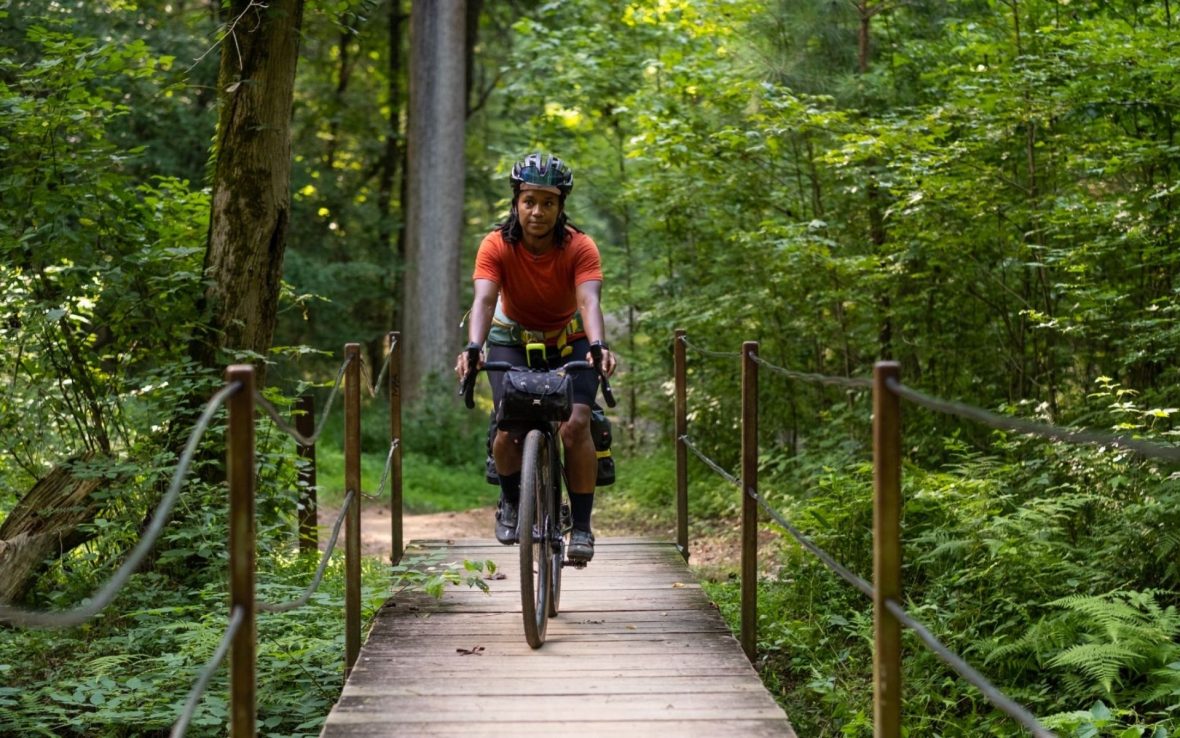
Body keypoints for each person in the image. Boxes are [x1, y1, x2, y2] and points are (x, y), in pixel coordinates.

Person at [455, 152, 617, 563]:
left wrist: (598, 344)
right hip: (512, 337)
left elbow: (588, 300)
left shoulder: (580, 246)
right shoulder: (495, 245)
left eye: (548, 202)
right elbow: (485, 298)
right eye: (529, 201)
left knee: (575, 425)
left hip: (571, 339)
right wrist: (474, 348)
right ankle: (511, 501)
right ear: (516, 201)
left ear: (561, 206)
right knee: (510, 429)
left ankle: (581, 527)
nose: (537, 211)